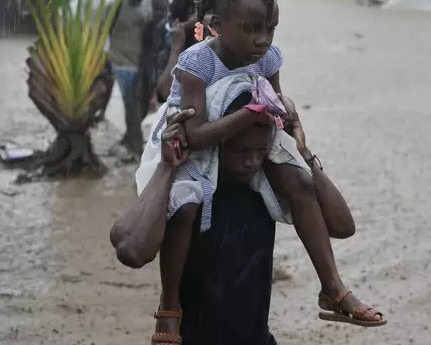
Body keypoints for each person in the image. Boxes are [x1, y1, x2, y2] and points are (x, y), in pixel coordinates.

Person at [133, 0, 385, 342]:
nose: (262, 39)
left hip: (250, 131)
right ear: (217, 25)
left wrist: (290, 124)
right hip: (194, 140)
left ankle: (332, 287)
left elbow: (275, 102)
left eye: (269, 28)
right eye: (251, 29)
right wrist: (250, 115)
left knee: (299, 182)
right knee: (183, 208)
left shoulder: (267, 56)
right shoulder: (198, 61)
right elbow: (196, 135)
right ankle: (169, 306)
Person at [111, 94, 359, 344]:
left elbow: (342, 226)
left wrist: (302, 152)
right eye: (242, 151)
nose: (252, 161)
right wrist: (166, 166)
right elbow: (132, 251)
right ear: (217, 144)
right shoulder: (190, 192)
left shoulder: (266, 184)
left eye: (260, 150)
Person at [155, 0, 213, 103]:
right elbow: (173, 27)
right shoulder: (178, 3)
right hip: (181, 49)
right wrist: (188, 24)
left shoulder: (214, 3)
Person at [108, 0, 153, 154]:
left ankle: (130, 136)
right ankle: (136, 146)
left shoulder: (148, 5)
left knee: (140, 105)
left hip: (140, 63)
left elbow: (150, 35)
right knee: (131, 104)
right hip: (120, 63)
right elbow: (105, 30)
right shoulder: (115, 4)